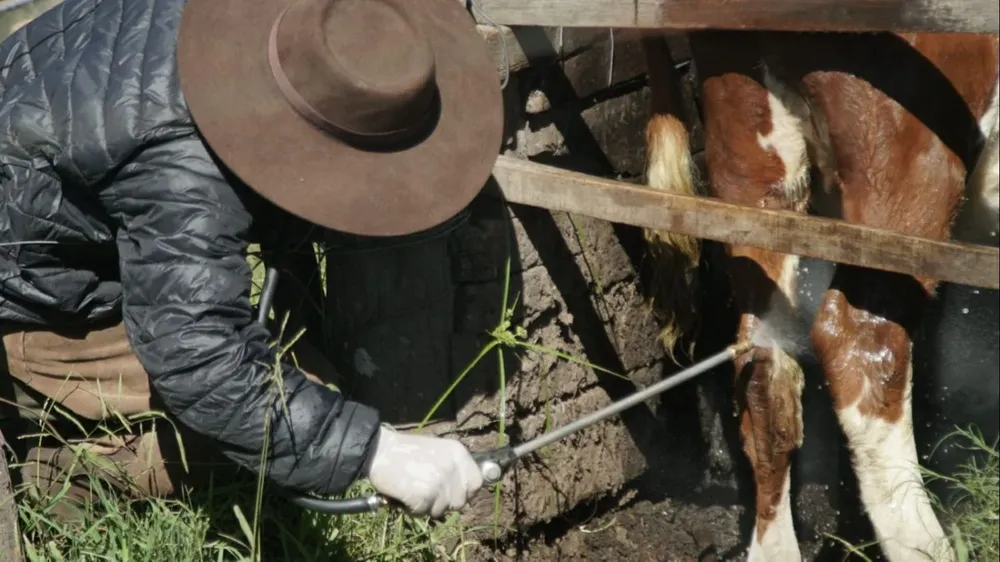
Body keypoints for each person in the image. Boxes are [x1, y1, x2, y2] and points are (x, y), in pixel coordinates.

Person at [0, 0, 504, 521]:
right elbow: (197, 356)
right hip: (25, 289)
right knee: (241, 435)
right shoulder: (182, 158)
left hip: (56, 173)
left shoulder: (247, 25)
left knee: (297, 393)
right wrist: (377, 452)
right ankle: (49, 469)